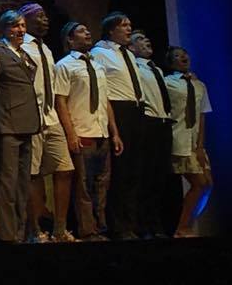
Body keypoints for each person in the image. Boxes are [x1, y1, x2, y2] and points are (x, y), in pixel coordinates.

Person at [54, 21, 121, 241]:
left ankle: (101, 227)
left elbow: (105, 101)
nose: (87, 33)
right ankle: (87, 230)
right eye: (81, 31)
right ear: (70, 39)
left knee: (102, 184)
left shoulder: (97, 66)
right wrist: (71, 134)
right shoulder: (64, 66)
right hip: (82, 132)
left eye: (87, 30)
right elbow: (60, 101)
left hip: (102, 133)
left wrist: (115, 132)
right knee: (83, 186)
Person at [19, 3, 75, 242]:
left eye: (45, 16)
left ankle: (60, 229)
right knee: (32, 174)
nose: (45, 19)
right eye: (39, 16)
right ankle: (35, 230)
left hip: (51, 118)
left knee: (65, 169)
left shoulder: (46, 49)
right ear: (25, 20)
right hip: (33, 118)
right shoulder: (20, 46)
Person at [90, 12, 147, 239]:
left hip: (136, 109)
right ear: (111, 30)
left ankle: (132, 223)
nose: (128, 29)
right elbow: (101, 87)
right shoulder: (100, 53)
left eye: (129, 24)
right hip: (118, 109)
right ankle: (118, 225)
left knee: (135, 170)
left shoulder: (128, 54)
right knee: (120, 171)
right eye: (124, 25)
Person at [0, 10, 42, 243]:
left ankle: (21, 233)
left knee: (23, 184)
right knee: (8, 184)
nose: (20, 30)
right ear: (5, 29)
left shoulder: (23, 53)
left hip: (27, 124)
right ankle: (8, 235)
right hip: (8, 125)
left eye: (22, 26)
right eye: (15, 26)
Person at [163, 46, 212, 237]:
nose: (183, 57)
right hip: (179, 139)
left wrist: (200, 146)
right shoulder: (168, 82)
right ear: (171, 62)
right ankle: (182, 227)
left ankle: (188, 225)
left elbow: (202, 116)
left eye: (184, 54)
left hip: (195, 142)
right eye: (177, 56)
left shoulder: (199, 85)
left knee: (207, 184)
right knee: (199, 183)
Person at [130, 30, 175, 238]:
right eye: (139, 39)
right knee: (146, 176)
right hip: (149, 123)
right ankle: (142, 224)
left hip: (163, 123)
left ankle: (156, 223)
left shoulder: (155, 68)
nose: (146, 40)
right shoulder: (134, 67)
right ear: (131, 48)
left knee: (160, 176)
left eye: (146, 37)